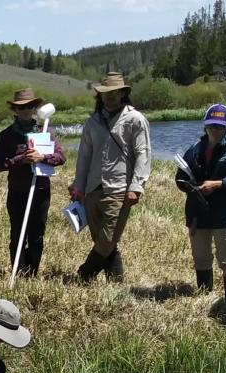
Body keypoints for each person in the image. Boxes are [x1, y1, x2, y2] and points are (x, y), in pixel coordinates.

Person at [70, 72, 152, 283]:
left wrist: (136, 185)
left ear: (123, 93)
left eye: (115, 93)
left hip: (120, 188)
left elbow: (143, 153)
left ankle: (84, 274)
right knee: (102, 240)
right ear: (100, 95)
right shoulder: (92, 122)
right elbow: (84, 157)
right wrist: (78, 185)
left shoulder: (135, 119)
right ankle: (116, 283)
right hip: (93, 188)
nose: (110, 97)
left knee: (107, 239)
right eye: (106, 93)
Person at [174, 104, 226, 303]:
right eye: (211, 125)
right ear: (205, 126)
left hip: (225, 213)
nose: (215, 130)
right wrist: (189, 186)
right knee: (200, 256)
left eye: (219, 126)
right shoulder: (194, 149)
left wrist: (219, 184)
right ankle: (204, 297)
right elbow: (179, 178)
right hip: (197, 212)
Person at [0, 89, 66, 277]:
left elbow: (61, 157)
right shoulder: (6, 136)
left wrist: (43, 157)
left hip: (40, 191)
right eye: (21, 107)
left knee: (37, 234)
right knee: (17, 233)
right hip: (17, 191)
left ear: (35, 109)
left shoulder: (45, 132)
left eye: (29, 106)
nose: (25, 110)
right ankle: (18, 271)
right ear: (15, 110)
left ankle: (32, 273)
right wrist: (19, 160)